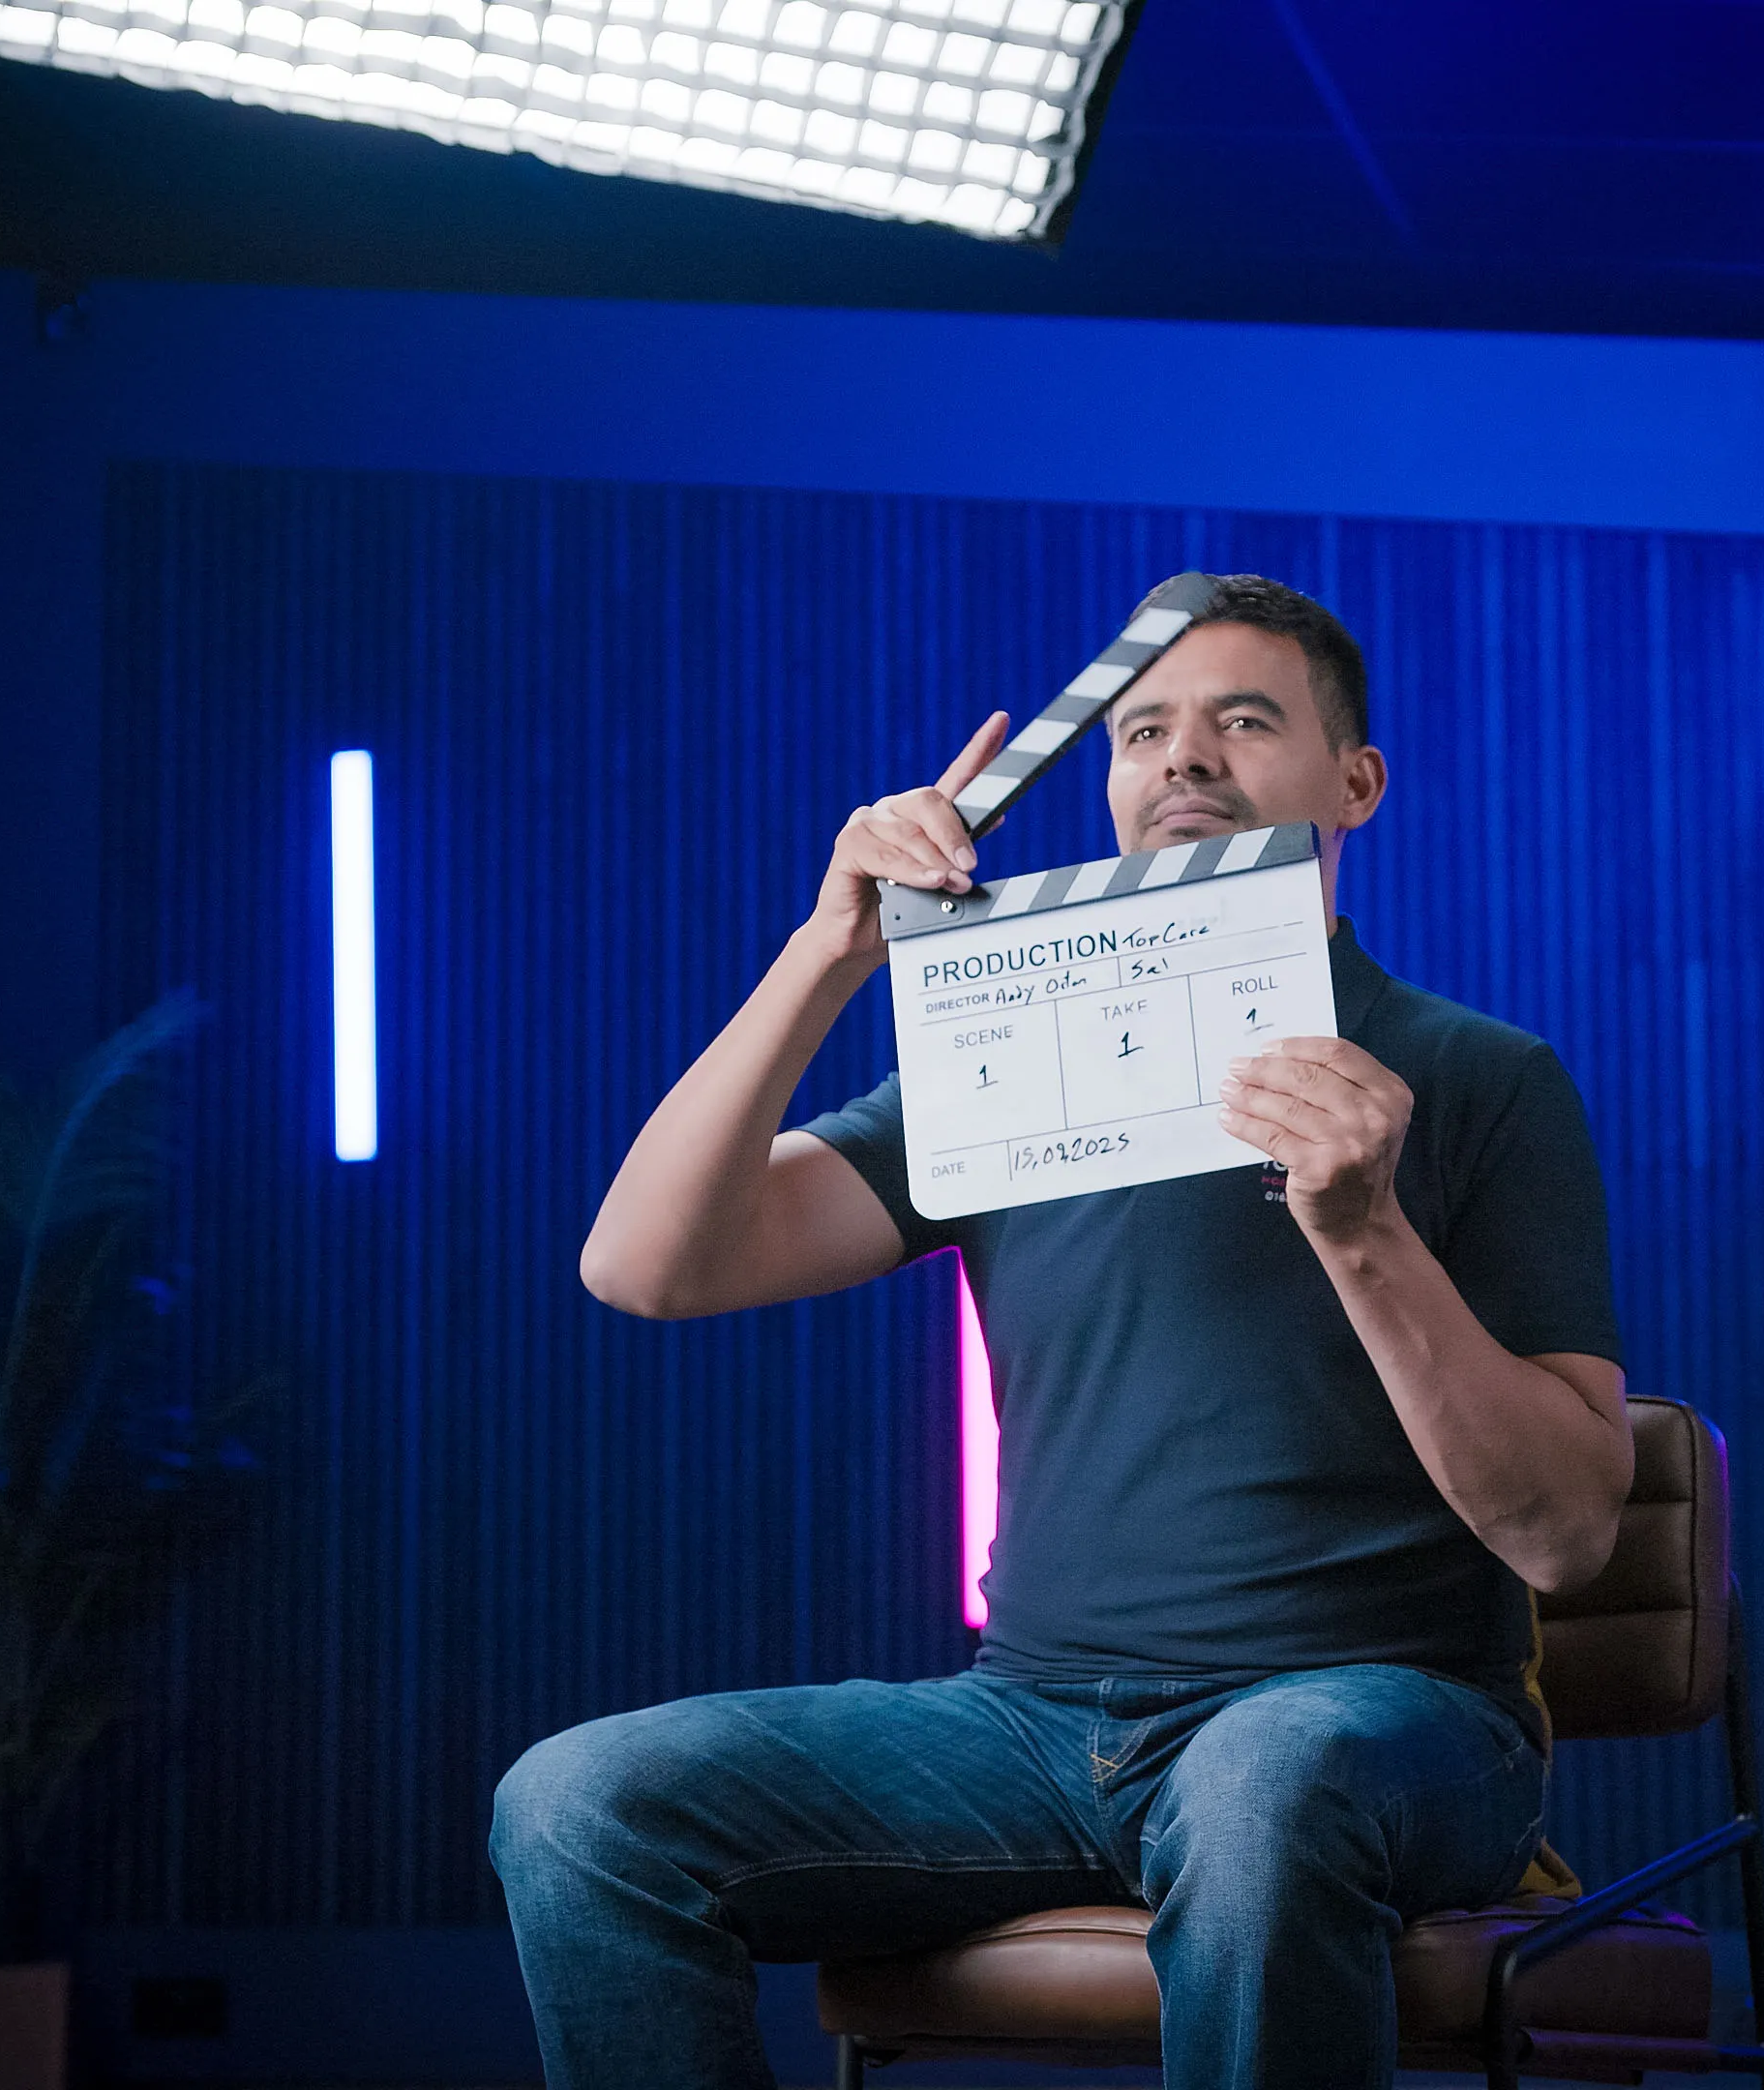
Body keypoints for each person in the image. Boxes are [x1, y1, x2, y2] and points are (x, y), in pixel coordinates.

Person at [494, 575, 1630, 2089]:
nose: (1184, 755)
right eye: (1142, 730)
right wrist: (829, 950)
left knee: (1264, 1777)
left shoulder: (1479, 1076)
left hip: (1382, 1716)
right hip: (1031, 1723)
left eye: (1244, 720)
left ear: (1355, 782)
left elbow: (1569, 1534)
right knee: (579, 1801)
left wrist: (1365, 1229)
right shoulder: (1013, 1063)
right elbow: (646, 1263)